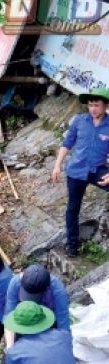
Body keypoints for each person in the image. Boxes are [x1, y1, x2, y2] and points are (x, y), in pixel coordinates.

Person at [51, 87, 109, 257]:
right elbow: (67, 143)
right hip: (76, 170)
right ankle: (72, 244)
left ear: (105, 106)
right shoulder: (79, 121)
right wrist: (57, 165)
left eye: (96, 105)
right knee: (72, 209)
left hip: (97, 170)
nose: (92, 109)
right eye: (90, 105)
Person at [0, 264, 71, 364]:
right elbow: (9, 318)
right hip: (22, 321)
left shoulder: (58, 291)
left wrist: (63, 354)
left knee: (41, 361)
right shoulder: (15, 283)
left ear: (46, 288)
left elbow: (63, 328)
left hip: (47, 324)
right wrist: (10, 348)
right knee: (9, 363)